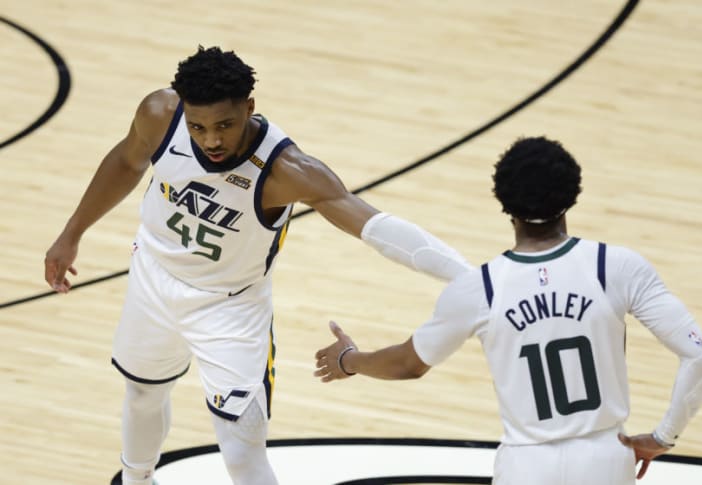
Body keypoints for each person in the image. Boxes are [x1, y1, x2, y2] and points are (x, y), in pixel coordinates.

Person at [44, 46, 472, 485]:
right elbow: (126, 161)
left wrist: (473, 279)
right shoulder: (159, 114)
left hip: (230, 307)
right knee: (142, 394)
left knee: (241, 446)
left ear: (249, 107)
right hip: (153, 279)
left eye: (225, 126)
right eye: (199, 127)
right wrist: (71, 233)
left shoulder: (287, 169)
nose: (211, 140)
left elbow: (376, 228)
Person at [314, 136, 702, 484]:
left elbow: (407, 364)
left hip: (527, 464)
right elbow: (699, 356)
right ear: (573, 194)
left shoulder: (480, 287)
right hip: (605, 458)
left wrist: (350, 360)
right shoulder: (617, 266)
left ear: (503, 202)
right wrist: (664, 436)